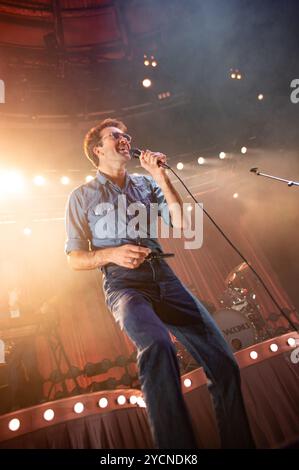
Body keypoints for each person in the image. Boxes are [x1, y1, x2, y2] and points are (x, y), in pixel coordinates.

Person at [65, 118, 255, 449]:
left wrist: (160, 175)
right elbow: (74, 257)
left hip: (165, 278)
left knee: (224, 363)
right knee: (158, 345)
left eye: (126, 135)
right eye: (115, 136)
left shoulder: (145, 183)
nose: (125, 139)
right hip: (125, 286)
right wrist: (111, 254)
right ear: (98, 149)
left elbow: (181, 223)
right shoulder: (81, 197)